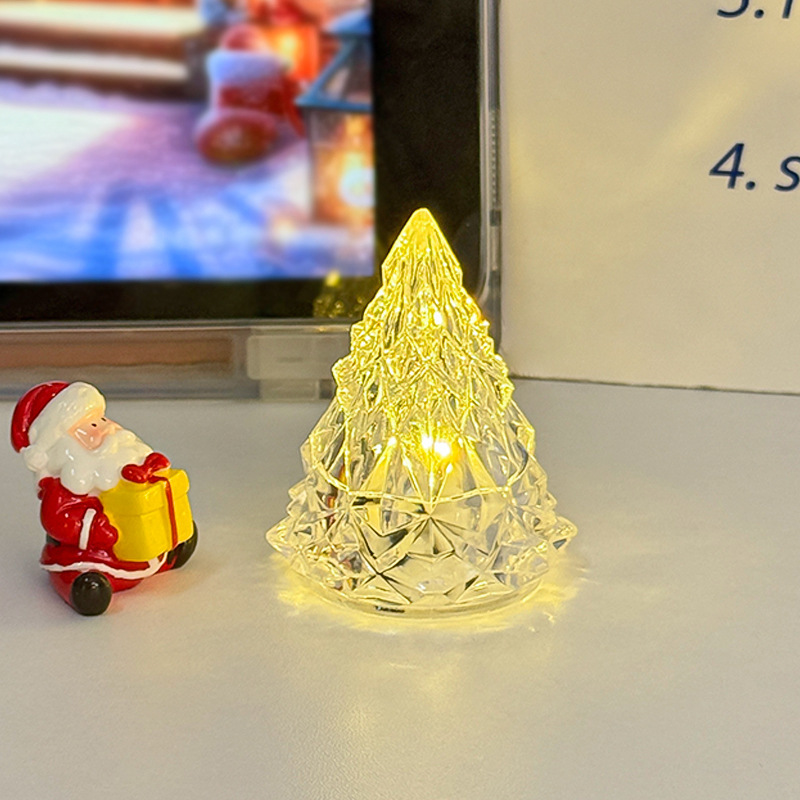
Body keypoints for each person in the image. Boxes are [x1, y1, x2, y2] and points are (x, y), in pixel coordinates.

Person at [11, 381, 197, 616]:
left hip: (137, 544)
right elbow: (56, 519)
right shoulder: (67, 485)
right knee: (81, 576)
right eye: (92, 425)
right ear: (63, 447)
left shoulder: (120, 463)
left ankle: (169, 550)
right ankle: (83, 590)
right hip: (92, 555)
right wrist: (95, 529)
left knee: (154, 547)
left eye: (103, 419)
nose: (107, 428)